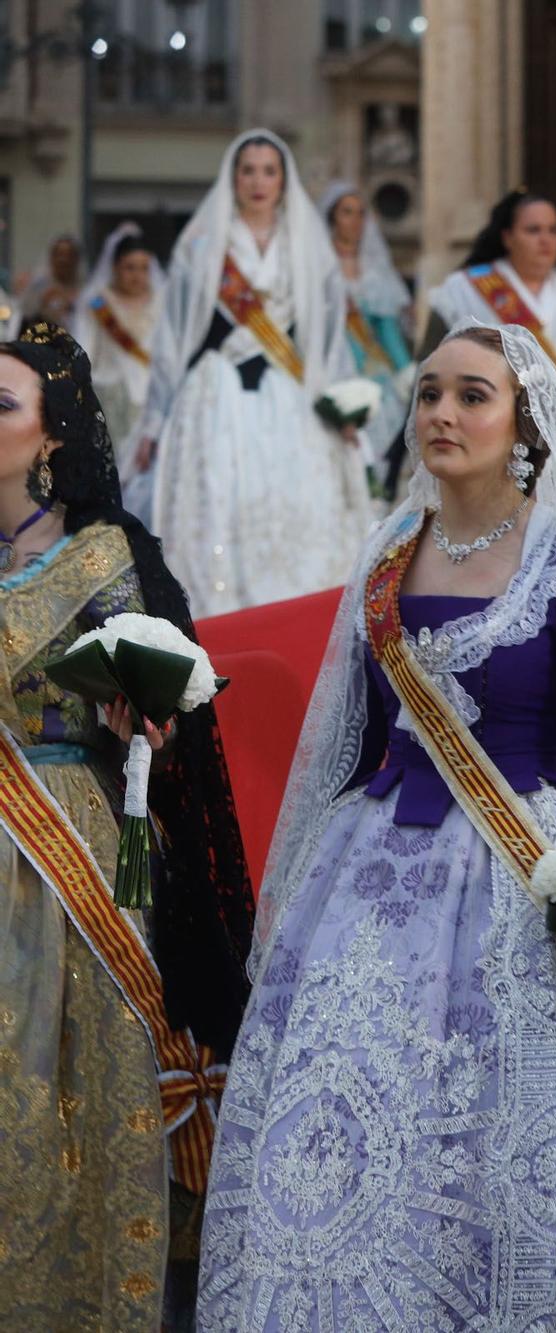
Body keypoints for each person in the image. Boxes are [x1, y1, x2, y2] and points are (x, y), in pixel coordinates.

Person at [197, 323, 556, 1331]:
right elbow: (348, 738)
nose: (441, 413)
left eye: (471, 395)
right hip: (374, 865)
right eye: (429, 393)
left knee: (494, 1107)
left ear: (521, 421)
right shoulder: (389, 550)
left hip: (522, 867)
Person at [0, 321, 253, 1331]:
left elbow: (169, 708)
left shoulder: (104, 554)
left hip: (62, 844)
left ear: (51, 438)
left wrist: (143, 712)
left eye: (3, 404)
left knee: (64, 1081)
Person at [134, 128, 374, 618]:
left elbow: (325, 334)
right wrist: (155, 421)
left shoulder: (306, 244)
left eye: (269, 171)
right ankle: (215, 619)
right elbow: (174, 338)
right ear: (233, 177)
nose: (258, 181)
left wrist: (343, 403)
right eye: (249, 170)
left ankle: (291, 618)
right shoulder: (202, 245)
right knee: (218, 503)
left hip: (293, 395)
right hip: (214, 391)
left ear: (284, 180)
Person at [423, 189, 556, 390]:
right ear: (507, 238)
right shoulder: (463, 289)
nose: (545, 240)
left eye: (553, 230)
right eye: (533, 230)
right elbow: (430, 362)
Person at [321, 181, 415, 492]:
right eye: (347, 212)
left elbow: (388, 330)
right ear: (332, 217)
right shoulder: (318, 267)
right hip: (328, 368)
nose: (355, 220)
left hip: (373, 375)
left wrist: (406, 372)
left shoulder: (376, 272)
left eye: (361, 213)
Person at [72, 224, 162, 521]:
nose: (137, 275)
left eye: (144, 268)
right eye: (129, 268)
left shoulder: (163, 302)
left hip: (152, 403)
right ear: (114, 268)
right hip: (109, 403)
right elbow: (81, 351)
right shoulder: (97, 302)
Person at [18, 233, 84, 328]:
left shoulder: (85, 289)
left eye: (69, 255)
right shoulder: (38, 287)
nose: (64, 260)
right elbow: (25, 318)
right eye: (59, 254)